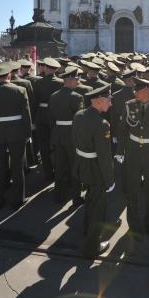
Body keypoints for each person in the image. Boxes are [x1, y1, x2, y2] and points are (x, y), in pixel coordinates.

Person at [116, 77, 149, 238]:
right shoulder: (129, 105)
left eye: (137, 91)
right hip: (133, 151)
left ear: (147, 91)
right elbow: (123, 130)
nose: (135, 93)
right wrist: (120, 150)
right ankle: (133, 224)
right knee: (132, 189)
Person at [0, 61, 31, 210]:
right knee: (17, 166)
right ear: (9, 74)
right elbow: (26, 115)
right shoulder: (20, 90)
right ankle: (18, 199)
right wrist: (27, 133)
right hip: (17, 133)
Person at [72, 82, 114, 258]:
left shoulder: (79, 115)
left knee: (90, 200)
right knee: (98, 207)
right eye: (108, 100)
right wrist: (110, 180)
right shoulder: (102, 124)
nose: (110, 103)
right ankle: (92, 246)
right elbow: (104, 156)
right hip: (96, 169)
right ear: (98, 101)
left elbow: (74, 141)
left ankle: (87, 231)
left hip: (83, 165)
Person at [49, 66, 84, 205]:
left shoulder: (54, 95)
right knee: (75, 167)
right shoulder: (77, 97)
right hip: (72, 135)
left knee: (59, 166)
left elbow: (50, 118)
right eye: (77, 78)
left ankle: (58, 195)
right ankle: (76, 197)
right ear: (69, 79)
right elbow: (80, 119)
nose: (78, 81)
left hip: (58, 134)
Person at [32, 57, 63, 181]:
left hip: (41, 116)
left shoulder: (38, 82)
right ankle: (58, 169)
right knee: (57, 144)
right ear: (56, 69)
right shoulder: (61, 82)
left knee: (43, 146)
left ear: (45, 68)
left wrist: (33, 119)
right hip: (56, 116)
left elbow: (34, 103)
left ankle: (48, 172)